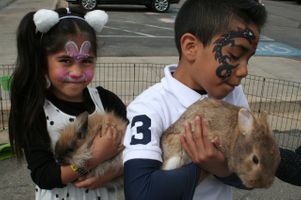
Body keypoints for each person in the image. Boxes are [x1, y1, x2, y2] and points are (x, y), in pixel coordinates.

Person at [123, 0, 267, 199]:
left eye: (248, 59)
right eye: (234, 56)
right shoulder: (149, 106)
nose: (244, 71)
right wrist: (205, 166)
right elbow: (141, 192)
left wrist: (221, 167)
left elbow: (251, 175)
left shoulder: (234, 95)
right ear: (190, 47)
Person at [8, 7, 127, 200]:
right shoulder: (35, 109)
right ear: (43, 61)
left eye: (86, 61)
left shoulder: (107, 101)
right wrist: (94, 158)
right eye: (65, 60)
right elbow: (44, 175)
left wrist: (110, 174)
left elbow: (137, 152)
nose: (77, 72)